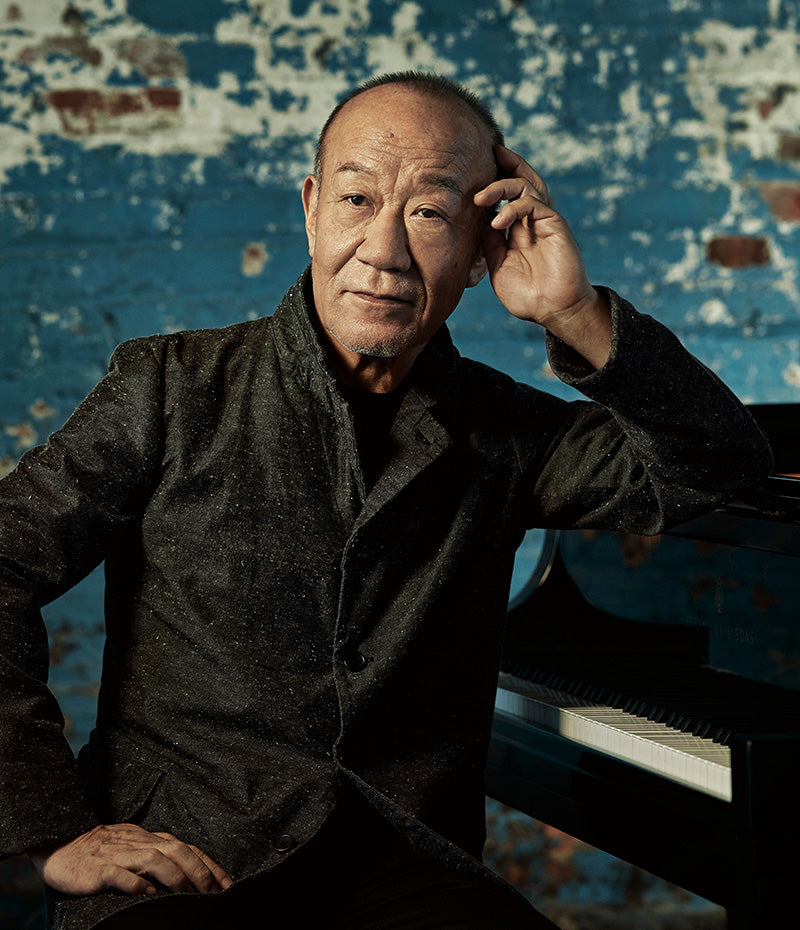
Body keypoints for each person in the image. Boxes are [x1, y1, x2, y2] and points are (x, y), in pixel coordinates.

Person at [0, 71, 771, 929]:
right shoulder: (171, 386)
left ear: (481, 249)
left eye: (430, 213)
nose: (384, 252)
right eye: (357, 199)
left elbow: (721, 462)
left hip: (407, 870)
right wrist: (50, 834)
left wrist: (574, 311)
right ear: (312, 210)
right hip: (183, 858)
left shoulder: (504, 430)